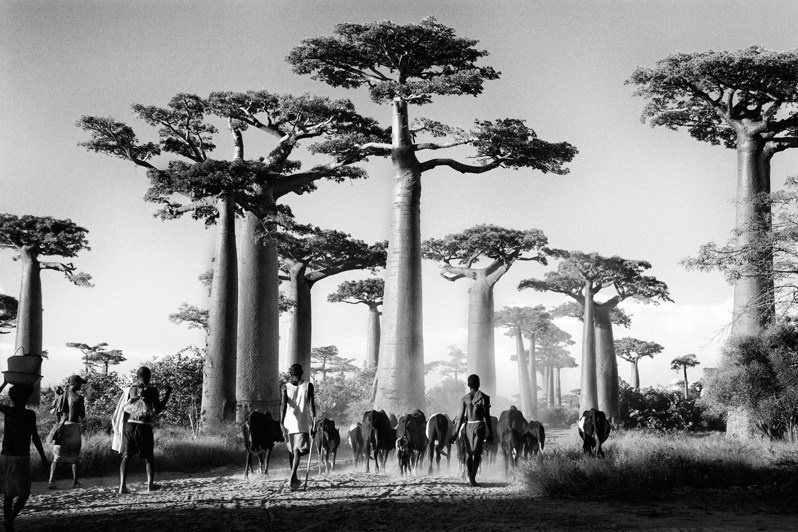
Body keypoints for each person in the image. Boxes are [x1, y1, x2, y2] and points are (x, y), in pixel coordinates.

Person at [0, 384, 49, 531]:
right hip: (21, 458)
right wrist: (43, 458)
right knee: (24, 493)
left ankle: (9, 524)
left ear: (12, 397)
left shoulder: (8, 412)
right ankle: (10, 521)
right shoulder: (29, 415)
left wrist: (4, 382)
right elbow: (35, 438)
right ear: (26, 397)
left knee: (8, 494)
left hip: (5, 457)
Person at [116, 366, 172, 494]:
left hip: (130, 425)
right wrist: (168, 394)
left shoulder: (130, 389)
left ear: (137, 376)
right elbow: (158, 410)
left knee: (126, 456)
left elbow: (125, 409)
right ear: (149, 377)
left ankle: (122, 486)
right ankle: (150, 485)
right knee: (149, 458)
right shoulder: (152, 390)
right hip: (144, 425)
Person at [451, 374, 494, 487]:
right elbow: (487, 417)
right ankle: (473, 479)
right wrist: (491, 432)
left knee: (469, 453)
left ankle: (470, 477)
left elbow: (460, 417)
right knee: (477, 453)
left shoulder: (465, 398)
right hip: (479, 426)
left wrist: (455, 433)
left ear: (468, 384)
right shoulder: (485, 397)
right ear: (479, 384)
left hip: (467, 427)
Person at [280, 363, 316, 491]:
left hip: (288, 423)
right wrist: (314, 422)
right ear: (302, 372)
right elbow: (311, 407)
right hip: (301, 423)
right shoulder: (308, 386)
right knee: (296, 453)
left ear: (290, 374)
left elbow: (283, 406)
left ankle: (294, 478)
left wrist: (281, 423)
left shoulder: (285, 387)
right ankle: (292, 479)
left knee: (293, 452)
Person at [48, 375, 86, 489]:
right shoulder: (79, 398)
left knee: (57, 457)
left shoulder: (60, 396)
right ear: (75, 384)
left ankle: (51, 481)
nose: (81, 386)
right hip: (73, 427)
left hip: (61, 426)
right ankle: (75, 481)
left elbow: (53, 411)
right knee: (74, 456)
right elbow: (82, 415)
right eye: (80, 384)